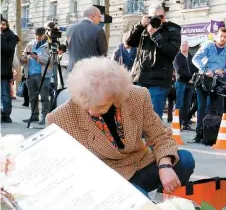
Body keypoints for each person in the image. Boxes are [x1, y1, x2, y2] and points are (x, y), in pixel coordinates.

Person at [45, 57, 195, 195]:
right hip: (104, 180)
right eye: (86, 104)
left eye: (100, 106)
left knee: (185, 160)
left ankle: (164, 201)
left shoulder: (137, 96)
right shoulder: (58, 118)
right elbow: (59, 168)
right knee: (139, 201)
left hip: (138, 164)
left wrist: (164, 166)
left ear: (115, 95)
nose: (91, 111)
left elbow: (160, 136)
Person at [126, 4, 181, 119]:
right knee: (136, 116)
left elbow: (172, 51)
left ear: (164, 17)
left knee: (153, 117)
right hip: (140, 77)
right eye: (153, 17)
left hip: (159, 79)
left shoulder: (173, 30)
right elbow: (129, 42)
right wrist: (140, 25)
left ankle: (154, 137)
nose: (157, 19)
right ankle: (137, 137)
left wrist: (155, 34)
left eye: (160, 17)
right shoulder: (144, 28)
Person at [191, 27, 226, 143]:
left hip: (218, 82)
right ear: (216, 36)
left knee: (217, 108)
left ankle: (213, 134)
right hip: (204, 80)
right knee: (202, 107)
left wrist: (224, 71)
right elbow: (196, 59)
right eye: (221, 36)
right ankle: (199, 133)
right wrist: (205, 70)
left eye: (225, 37)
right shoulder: (208, 46)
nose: (223, 38)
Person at [19, 27, 50, 125]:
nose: (38, 37)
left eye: (40, 35)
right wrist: (23, 59)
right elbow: (22, 59)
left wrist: (37, 57)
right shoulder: (29, 45)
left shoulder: (48, 46)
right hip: (30, 74)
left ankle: (45, 117)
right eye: (36, 35)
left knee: (44, 97)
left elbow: (51, 61)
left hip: (42, 75)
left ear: (44, 35)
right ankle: (34, 115)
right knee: (32, 97)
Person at [66, 6, 108, 72]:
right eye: (99, 16)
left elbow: (69, 48)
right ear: (93, 16)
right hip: (90, 72)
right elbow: (103, 54)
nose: (100, 19)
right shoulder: (98, 30)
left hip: (72, 71)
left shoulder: (70, 29)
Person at [173, 40, 197, 130]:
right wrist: (190, 78)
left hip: (190, 84)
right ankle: (177, 123)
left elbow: (195, 69)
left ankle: (185, 123)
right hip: (181, 83)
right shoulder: (177, 57)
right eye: (182, 45)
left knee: (187, 105)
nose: (184, 46)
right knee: (180, 104)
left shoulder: (191, 57)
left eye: (185, 45)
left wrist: (193, 79)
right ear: (180, 47)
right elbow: (179, 71)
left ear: (188, 47)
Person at [1, 15, 19, 123]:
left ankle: (6, 115)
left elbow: (9, 49)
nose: (1, 26)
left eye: (3, 24)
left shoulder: (11, 36)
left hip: (4, 71)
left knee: (5, 94)